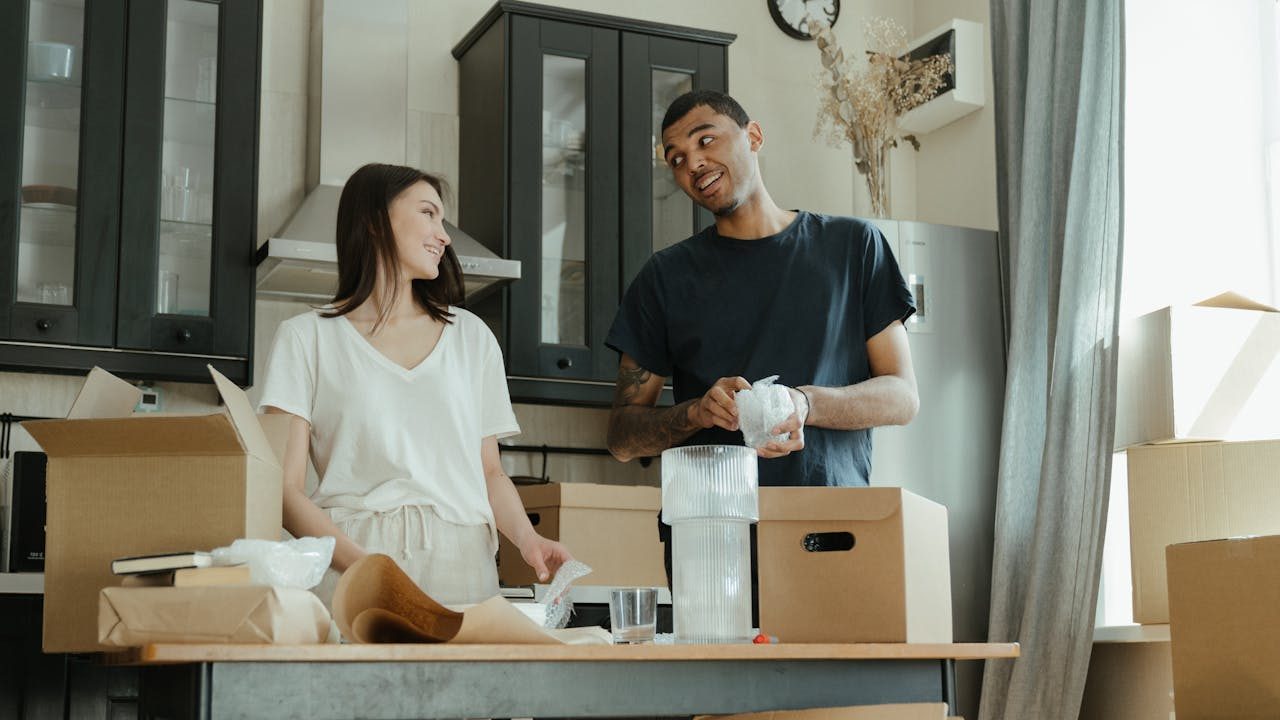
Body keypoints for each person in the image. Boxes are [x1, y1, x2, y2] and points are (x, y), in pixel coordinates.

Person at [604, 91, 920, 595]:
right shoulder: (663, 278)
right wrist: (695, 414)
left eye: (706, 140)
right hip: (710, 542)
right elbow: (621, 437)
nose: (694, 163)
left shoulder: (853, 248)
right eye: (677, 158)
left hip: (830, 532)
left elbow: (903, 398)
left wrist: (805, 402)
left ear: (753, 136)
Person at [258, 163, 570, 609]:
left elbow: (490, 473)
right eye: (428, 213)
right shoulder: (306, 338)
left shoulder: (471, 336)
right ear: (373, 220)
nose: (443, 235)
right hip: (353, 565)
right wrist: (365, 567)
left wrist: (528, 540)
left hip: (461, 568)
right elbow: (284, 492)